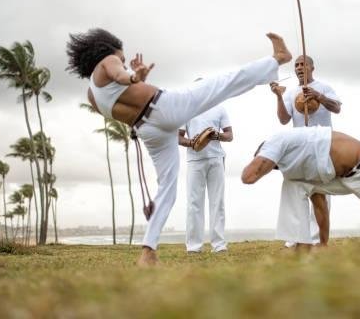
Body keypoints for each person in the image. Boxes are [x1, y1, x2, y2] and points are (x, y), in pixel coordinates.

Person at [66, 28, 292, 266]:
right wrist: (133, 76)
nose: (123, 62)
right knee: (221, 84)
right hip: (164, 108)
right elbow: (122, 77)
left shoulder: (92, 94)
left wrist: (134, 78)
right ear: (107, 50)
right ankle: (277, 59)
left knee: (167, 189)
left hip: (147, 130)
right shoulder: (109, 61)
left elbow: (122, 99)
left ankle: (148, 251)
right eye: (122, 58)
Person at [269, 55, 341, 247]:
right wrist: (278, 96)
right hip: (299, 146)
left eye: (303, 65)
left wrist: (318, 96)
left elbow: (337, 108)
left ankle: (318, 238)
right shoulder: (291, 92)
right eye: (297, 65)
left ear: (312, 67)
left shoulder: (324, 87)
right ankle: (296, 237)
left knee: (321, 191)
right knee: (296, 189)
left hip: (323, 144)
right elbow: (284, 120)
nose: (299, 68)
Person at [178, 102, 232, 253]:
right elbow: (179, 137)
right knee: (194, 204)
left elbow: (229, 135)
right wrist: (192, 142)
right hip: (194, 161)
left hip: (216, 159)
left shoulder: (219, 108)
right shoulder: (186, 108)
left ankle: (219, 246)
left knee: (217, 203)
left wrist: (217, 135)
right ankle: (194, 247)